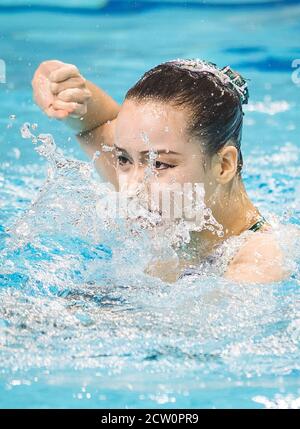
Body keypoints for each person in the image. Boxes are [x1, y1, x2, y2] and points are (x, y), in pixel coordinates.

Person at [31, 59, 291, 284]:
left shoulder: (258, 263)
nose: (132, 190)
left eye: (159, 165)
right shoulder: (163, 199)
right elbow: (97, 123)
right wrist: (70, 93)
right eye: (122, 159)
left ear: (224, 165)